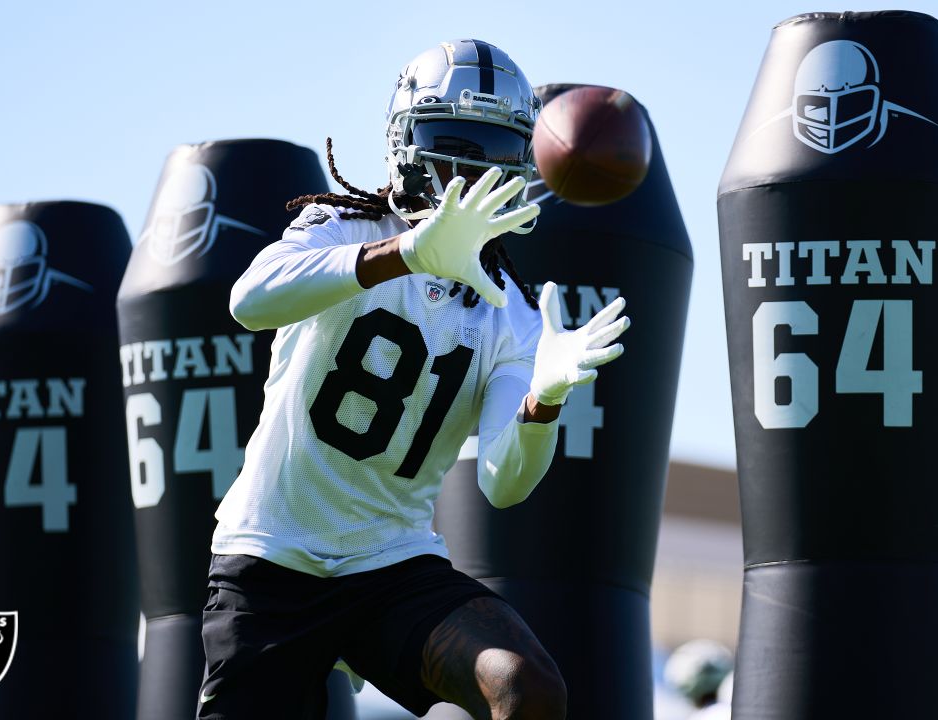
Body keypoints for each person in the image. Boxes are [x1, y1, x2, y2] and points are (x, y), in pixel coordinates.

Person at [197, 39, 631, 720]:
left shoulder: (511, 312)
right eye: (453, 140)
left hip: (390, 565)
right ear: (403, 141)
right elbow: (249, 301)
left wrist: (543, 403)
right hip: (273, 559)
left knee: (527, 687)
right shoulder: (343, 228)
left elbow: (501, 482)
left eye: (492, 149)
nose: (470, 167)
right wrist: (405, 253)